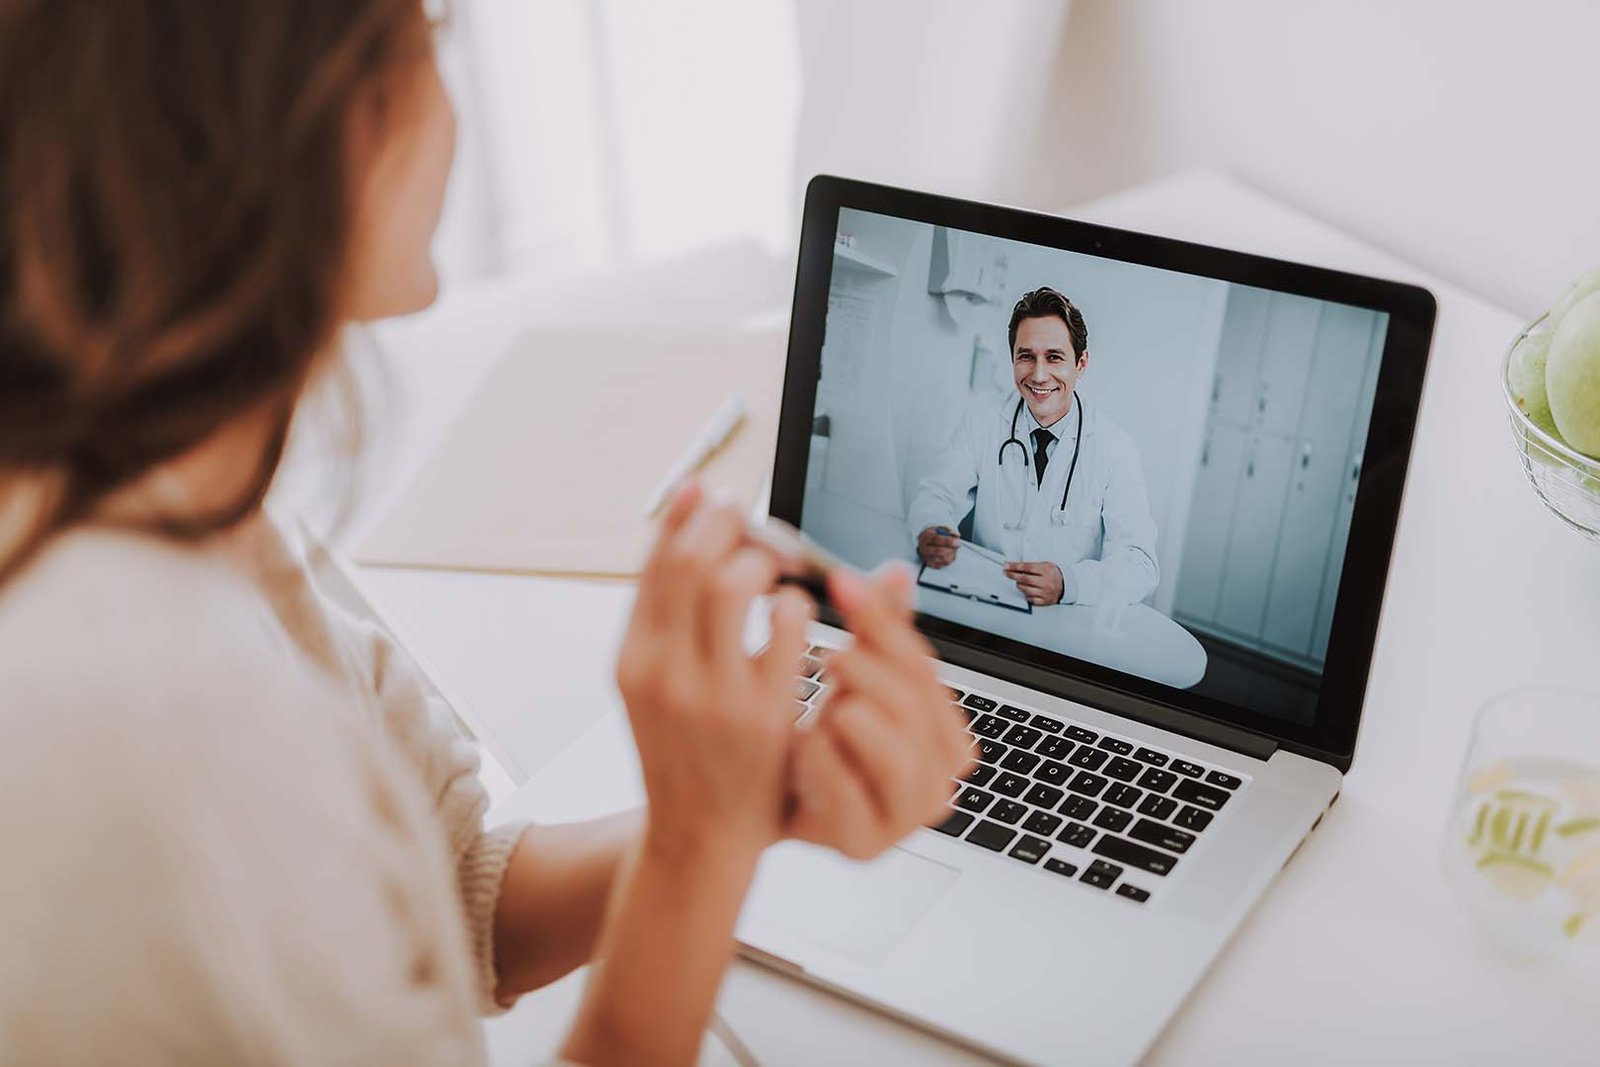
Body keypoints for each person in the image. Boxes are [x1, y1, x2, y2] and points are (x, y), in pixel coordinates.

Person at [0, 3, 970, 1064]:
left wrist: (746, 805)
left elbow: (451, 887)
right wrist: (697, 846)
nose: (449, 104)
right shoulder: (168, 726)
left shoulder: (165, 500)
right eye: (427, 40)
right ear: (300, 116)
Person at [907, 287, 1160, 607]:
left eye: (1054, 357)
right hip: (983, 599)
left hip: (1063, 617)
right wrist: (931, 528)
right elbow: (936, 494)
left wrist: (1069, 583)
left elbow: (1140, 563)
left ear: (1081, 363)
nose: (1039, 375)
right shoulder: (983, 418)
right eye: (1026, 356)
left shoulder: (1116, 450)